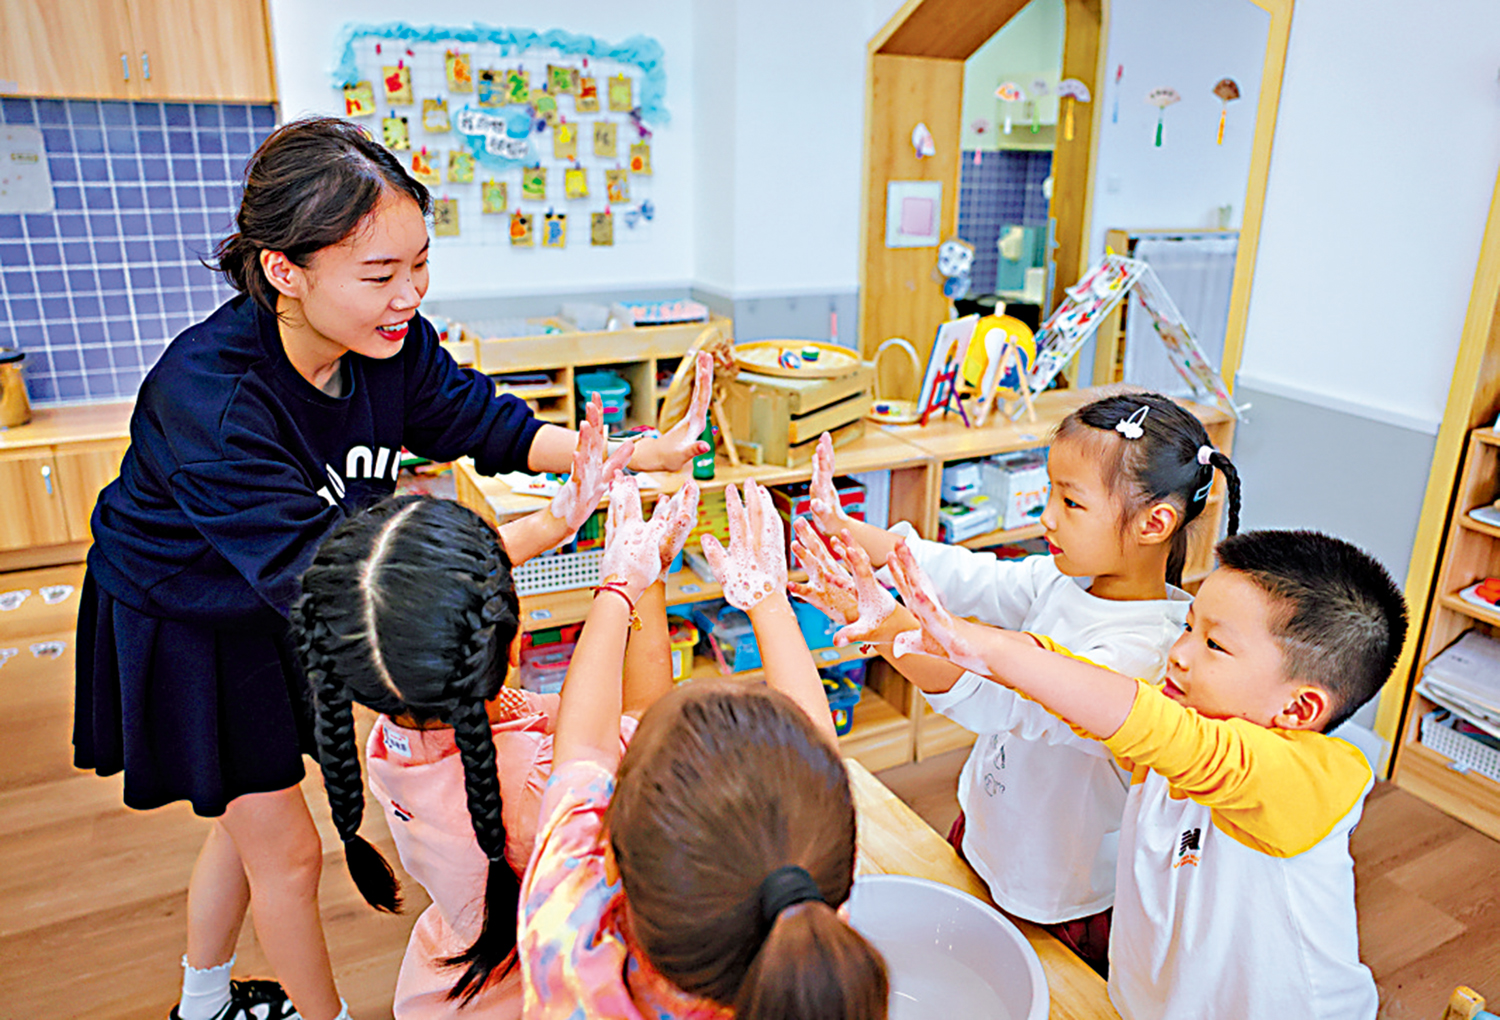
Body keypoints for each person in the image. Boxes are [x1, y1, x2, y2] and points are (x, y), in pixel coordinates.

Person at [72, 115, 714, 1020]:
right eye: (380, 274)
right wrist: (543, 538)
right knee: (286, 850)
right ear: (283, 272)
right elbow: (344, 587)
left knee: (244, 818)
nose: (408, 294)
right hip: (188, 618)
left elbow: (483, 421)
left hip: (294, 589)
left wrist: (621, 457)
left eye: (420, 265)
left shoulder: (384, 341)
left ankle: (203, 1000)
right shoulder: (211, 404)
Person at [795, 392, 1241, 971]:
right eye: (1049, 491)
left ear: (1156, 523)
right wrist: (847, 530)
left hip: (1060, 887)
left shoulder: (1144, 656)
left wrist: (883, 621)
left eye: (1071, 502)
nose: (1046, 516)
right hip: (988, 830)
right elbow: (963, 572)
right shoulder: (1064, 580)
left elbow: (1003, 700)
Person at [882, 529, 1406, 1020]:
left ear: (1299, 708)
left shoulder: (1319, 777)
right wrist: (896, 625)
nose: (1177, 654)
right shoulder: (1178, 721)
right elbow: (1076, 695)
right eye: (1187, 626)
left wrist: (985, 644)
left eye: (1214, 645)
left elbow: (1146, 724)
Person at [293, 481, 698, 1018]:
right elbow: (648, 721)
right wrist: (639, 583)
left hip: (445, 989)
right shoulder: (535, 784)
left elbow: (414, 604)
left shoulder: (391, 735)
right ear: (515, 646)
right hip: (533, 991)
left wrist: (554, 523)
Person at [517, 477, 889, 1019]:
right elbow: (815, 757)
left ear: (614, 871)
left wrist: (620, 586)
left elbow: (582, 752)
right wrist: (768, 602)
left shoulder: (569, 943)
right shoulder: (811, 944)